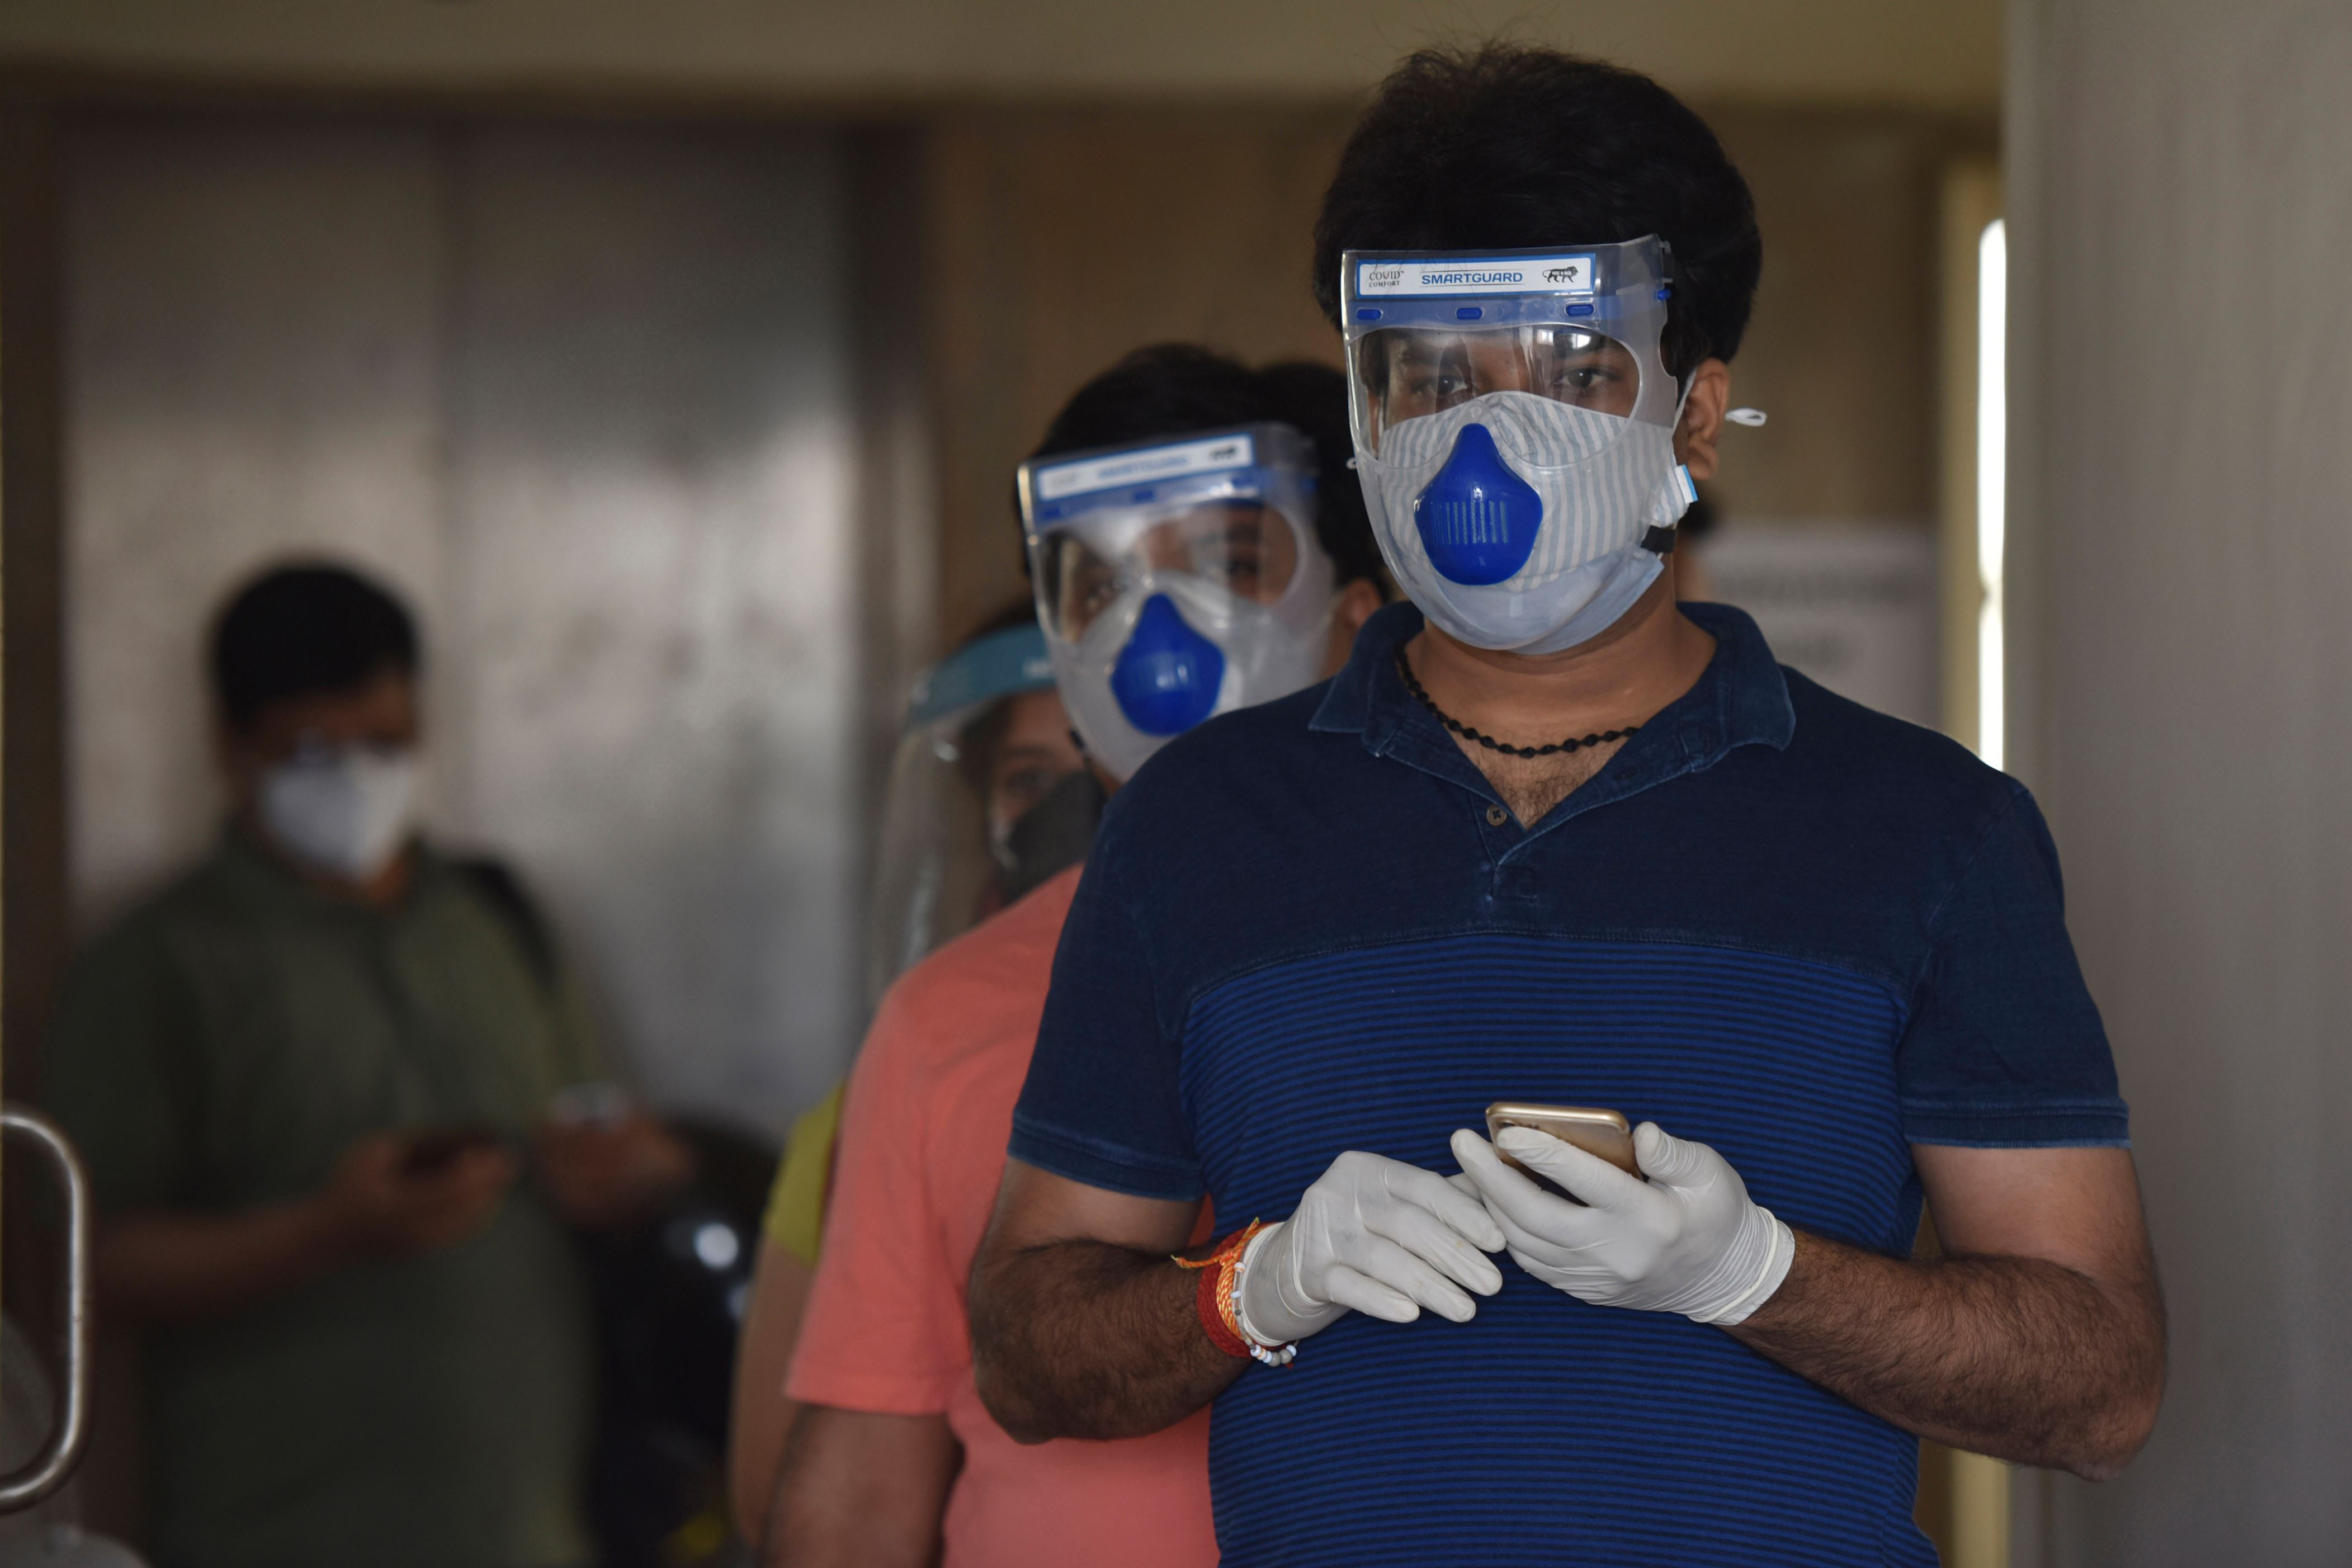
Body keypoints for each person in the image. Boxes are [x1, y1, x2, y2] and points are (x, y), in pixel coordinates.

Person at [966, 46, 2165, 1568]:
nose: (1482, 443)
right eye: (1428, 376)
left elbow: (2099, 1386)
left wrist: (1751, 1271)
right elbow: (1024, 1347)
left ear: (1692, 415)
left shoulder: (1927, 829)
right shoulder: (1193, 824)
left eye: (1571, 371)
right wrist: (1248, 1286)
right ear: (1361, 409)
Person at [753, 346, 1388, 1567]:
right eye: (1092, 583)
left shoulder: (1485, 944)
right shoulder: (947, 1015)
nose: (1157, 629)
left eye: (1224, 565)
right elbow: (858, 1497)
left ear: (1354, 618)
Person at [41, 564, 694, 1568]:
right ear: (230, 745)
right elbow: (81, 1269)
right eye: (311, 750)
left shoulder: (495, 921)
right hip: (274, 1536)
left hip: (536, 1534)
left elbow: (588, 1120)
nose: (353, 780)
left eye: (383, 745)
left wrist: (631, 1172)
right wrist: (322, 1233)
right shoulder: (157, 966)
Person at [725, 602, 1088, 1532]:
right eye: (1028, 781)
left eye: (1102, 770)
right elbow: (788, 1492)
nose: (1075, 818)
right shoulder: (895, 1085)